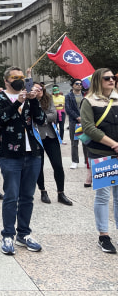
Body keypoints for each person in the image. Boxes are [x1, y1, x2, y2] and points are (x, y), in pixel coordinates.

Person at [0, 66, 46, 255]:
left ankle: (24, 233)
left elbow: (41, 119)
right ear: (6, 80)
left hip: (32, 153)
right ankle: (8, 234)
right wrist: (17, 103)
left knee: (28, 196)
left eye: (21, 77)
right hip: (10, 154)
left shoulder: (29, 98)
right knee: (11, 196)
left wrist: (34, 100)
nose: (19, 80)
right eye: (15, 77)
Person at [79, 68, 118, 253]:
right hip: (102, 155)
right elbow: (88, 128)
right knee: (103, 196)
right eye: (107, 78)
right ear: (97, 80)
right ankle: (103, 236)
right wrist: (114, 144)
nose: (111, 80)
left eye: (113, 77)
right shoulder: (89, 100)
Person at [33, 83, 73, 206]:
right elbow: (28, 117)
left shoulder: (48, 98)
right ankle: (43, 191)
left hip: (50, 135)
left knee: (58, 165)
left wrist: (40, 118)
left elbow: (54, 114)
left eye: (40, 88)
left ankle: (61, 193)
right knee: (39, 166)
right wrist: (43, 117)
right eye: (35, 88)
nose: (38, 90)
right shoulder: (28, 101)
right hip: (35, 136)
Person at [66, 78, 89, 172]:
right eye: (77, 83)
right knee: (74, 143)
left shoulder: (85, 95)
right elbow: (68, 109)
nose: (79, 85)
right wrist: (77, 117)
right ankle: (75, 161)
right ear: (73, 85)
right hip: (74, 122)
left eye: (80, 84)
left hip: (85, 122)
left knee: (86, 142)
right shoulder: (68, 96)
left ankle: (86, 161)